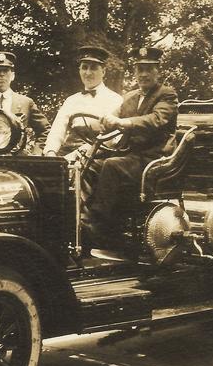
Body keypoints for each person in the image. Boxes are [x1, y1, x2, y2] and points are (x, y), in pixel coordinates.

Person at [84, 46, 178, 248]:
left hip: (153, 160)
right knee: (89, 166)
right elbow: (111, 118)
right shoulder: (130, 97)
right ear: (134, 72)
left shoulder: (166, 95)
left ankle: (99, 226)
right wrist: (91, 124)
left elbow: (156, 120)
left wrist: (123, 123)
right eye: (139, 69)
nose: (143, 74)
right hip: (130, 156)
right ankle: (82, 218)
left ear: (157, 71)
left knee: (111, 165)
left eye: (148, 69)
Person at [43, 45, 123, 158]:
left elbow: (112, 139)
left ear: (103, 72)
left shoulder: (115, 99)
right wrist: (51, 152)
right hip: (67, 153)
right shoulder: (71, 100)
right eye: (84, 67)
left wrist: (79, 155)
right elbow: (57, 130)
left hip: (98, 153)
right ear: (79, 70)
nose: (88, 73)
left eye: (93, 68)